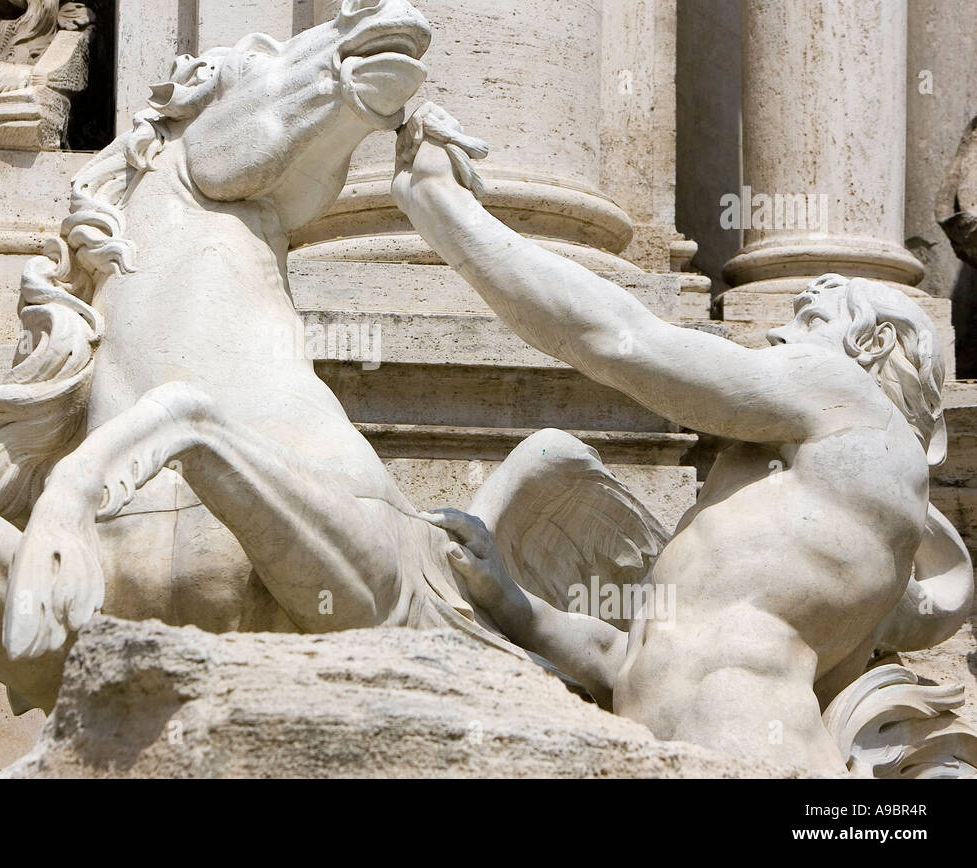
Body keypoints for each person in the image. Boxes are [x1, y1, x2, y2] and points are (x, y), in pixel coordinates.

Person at [391, 102, 947, 771]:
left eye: (807, 317)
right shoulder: (792, 500)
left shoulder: (852, 404)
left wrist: (443, 210)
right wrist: (504, 596)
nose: (776, 334)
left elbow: (623, 341)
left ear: (873, 341)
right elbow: (627, 661)